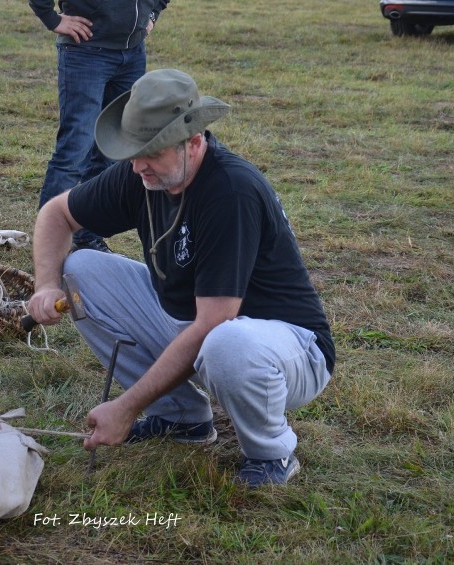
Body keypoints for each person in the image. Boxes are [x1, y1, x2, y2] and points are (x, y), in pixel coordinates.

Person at [27, 69, 336, 487]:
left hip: (287, 346)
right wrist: (46, 283)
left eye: (151, 154)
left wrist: (126, 407)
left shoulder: (231, 191)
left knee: (227, 343)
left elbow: (214, 323)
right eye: (134, 152)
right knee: (81, 270)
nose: (138, 167)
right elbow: (57, 214)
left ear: (194, 142)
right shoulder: (141, 173)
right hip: (198, 322)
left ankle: (271, 454)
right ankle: (182, 418)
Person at [29, 0, 169, 253]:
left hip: (132, 54)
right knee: (75, 151)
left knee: (110, 150)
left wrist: (153, 12)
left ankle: (86, 236)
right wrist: (53, 19)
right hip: (86, 52)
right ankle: (48, 245)